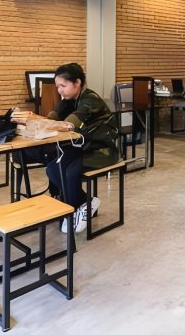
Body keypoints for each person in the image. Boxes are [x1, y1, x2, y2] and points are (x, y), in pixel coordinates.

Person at [12, 63, 111, 234]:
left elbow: (67, 125)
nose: (59, 90)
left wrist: (33, 118)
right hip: (80, 145)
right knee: (53, 167)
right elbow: (53, 118)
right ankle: (82, 203)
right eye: (58, 86)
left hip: (101, 149)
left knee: (67, 171)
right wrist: (37, 119)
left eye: (63, 86)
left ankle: (73, 208)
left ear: (77, 82)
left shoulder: (90, 100)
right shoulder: (67, 100)